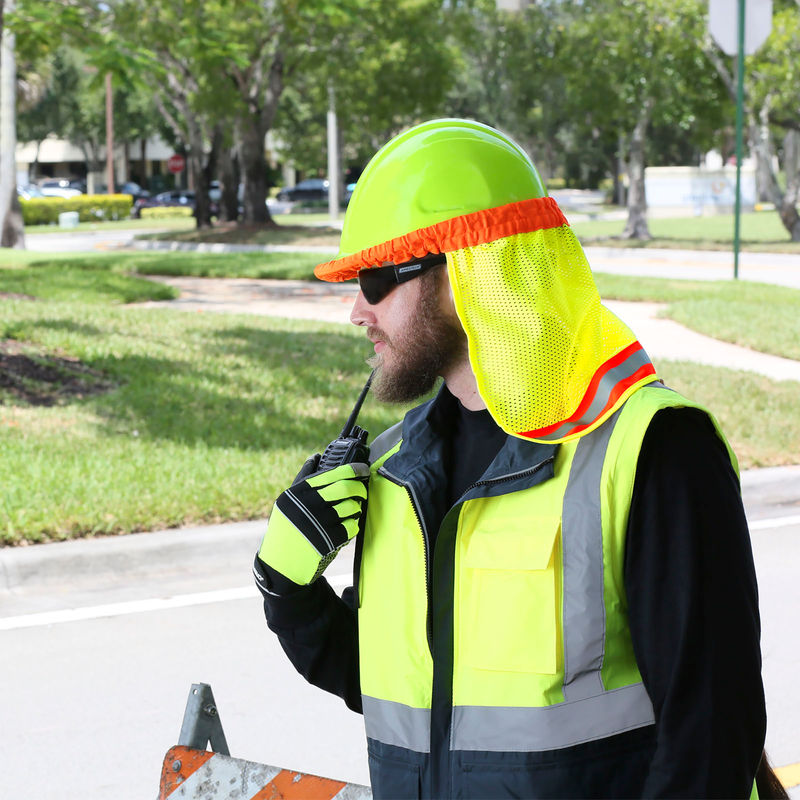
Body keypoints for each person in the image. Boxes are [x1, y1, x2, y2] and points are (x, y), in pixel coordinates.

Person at [253, 119, 771, 799]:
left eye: (376, 278)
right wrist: (286, 589)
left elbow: (709, 739)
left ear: (470, 267)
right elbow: (406, 695)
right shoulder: (395, 469)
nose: (356, 310)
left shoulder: (652, 450)